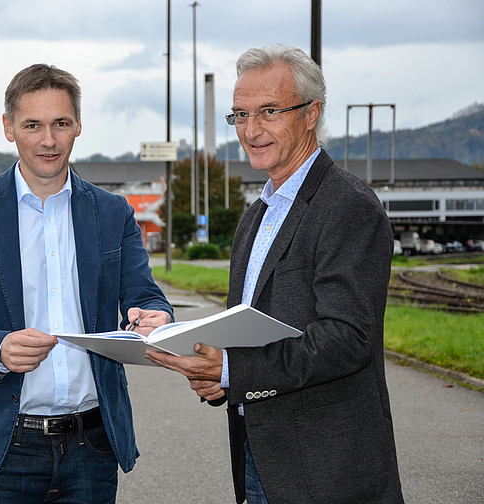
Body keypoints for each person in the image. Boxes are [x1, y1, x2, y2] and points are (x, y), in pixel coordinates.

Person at [146, 44, 405, 503]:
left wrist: (231, 368)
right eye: (240, 115)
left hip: (328, 471)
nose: (251, 130)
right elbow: (246, 333)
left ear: (311, 114)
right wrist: (218, 374)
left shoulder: (348, 206)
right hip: (259, 457)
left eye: (268, 111)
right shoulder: (257, 214)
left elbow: (347, 339)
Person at [0, 63, 173, 503]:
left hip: (92, 449)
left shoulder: (113, 214)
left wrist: (155, 316)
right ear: (9, 127)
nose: (48, 140)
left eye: (60, 124)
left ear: (78, 126)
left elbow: (144, 294)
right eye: (32, 125)